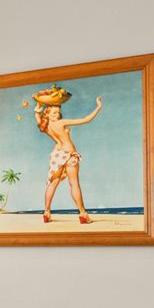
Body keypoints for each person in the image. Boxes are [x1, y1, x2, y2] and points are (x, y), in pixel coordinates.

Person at [27, 86, 103, 223]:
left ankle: (47, 212)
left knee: (53, 183)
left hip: (57, 154)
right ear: (48, 113)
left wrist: (38, 105)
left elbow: (37, 114)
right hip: (69, 154)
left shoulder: (44, 125)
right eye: (54, 113)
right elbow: (86, 120)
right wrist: (98, 107)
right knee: (74, 184)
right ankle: (83, 214)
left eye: (58, 112)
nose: (57, 115)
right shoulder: (62, 123)